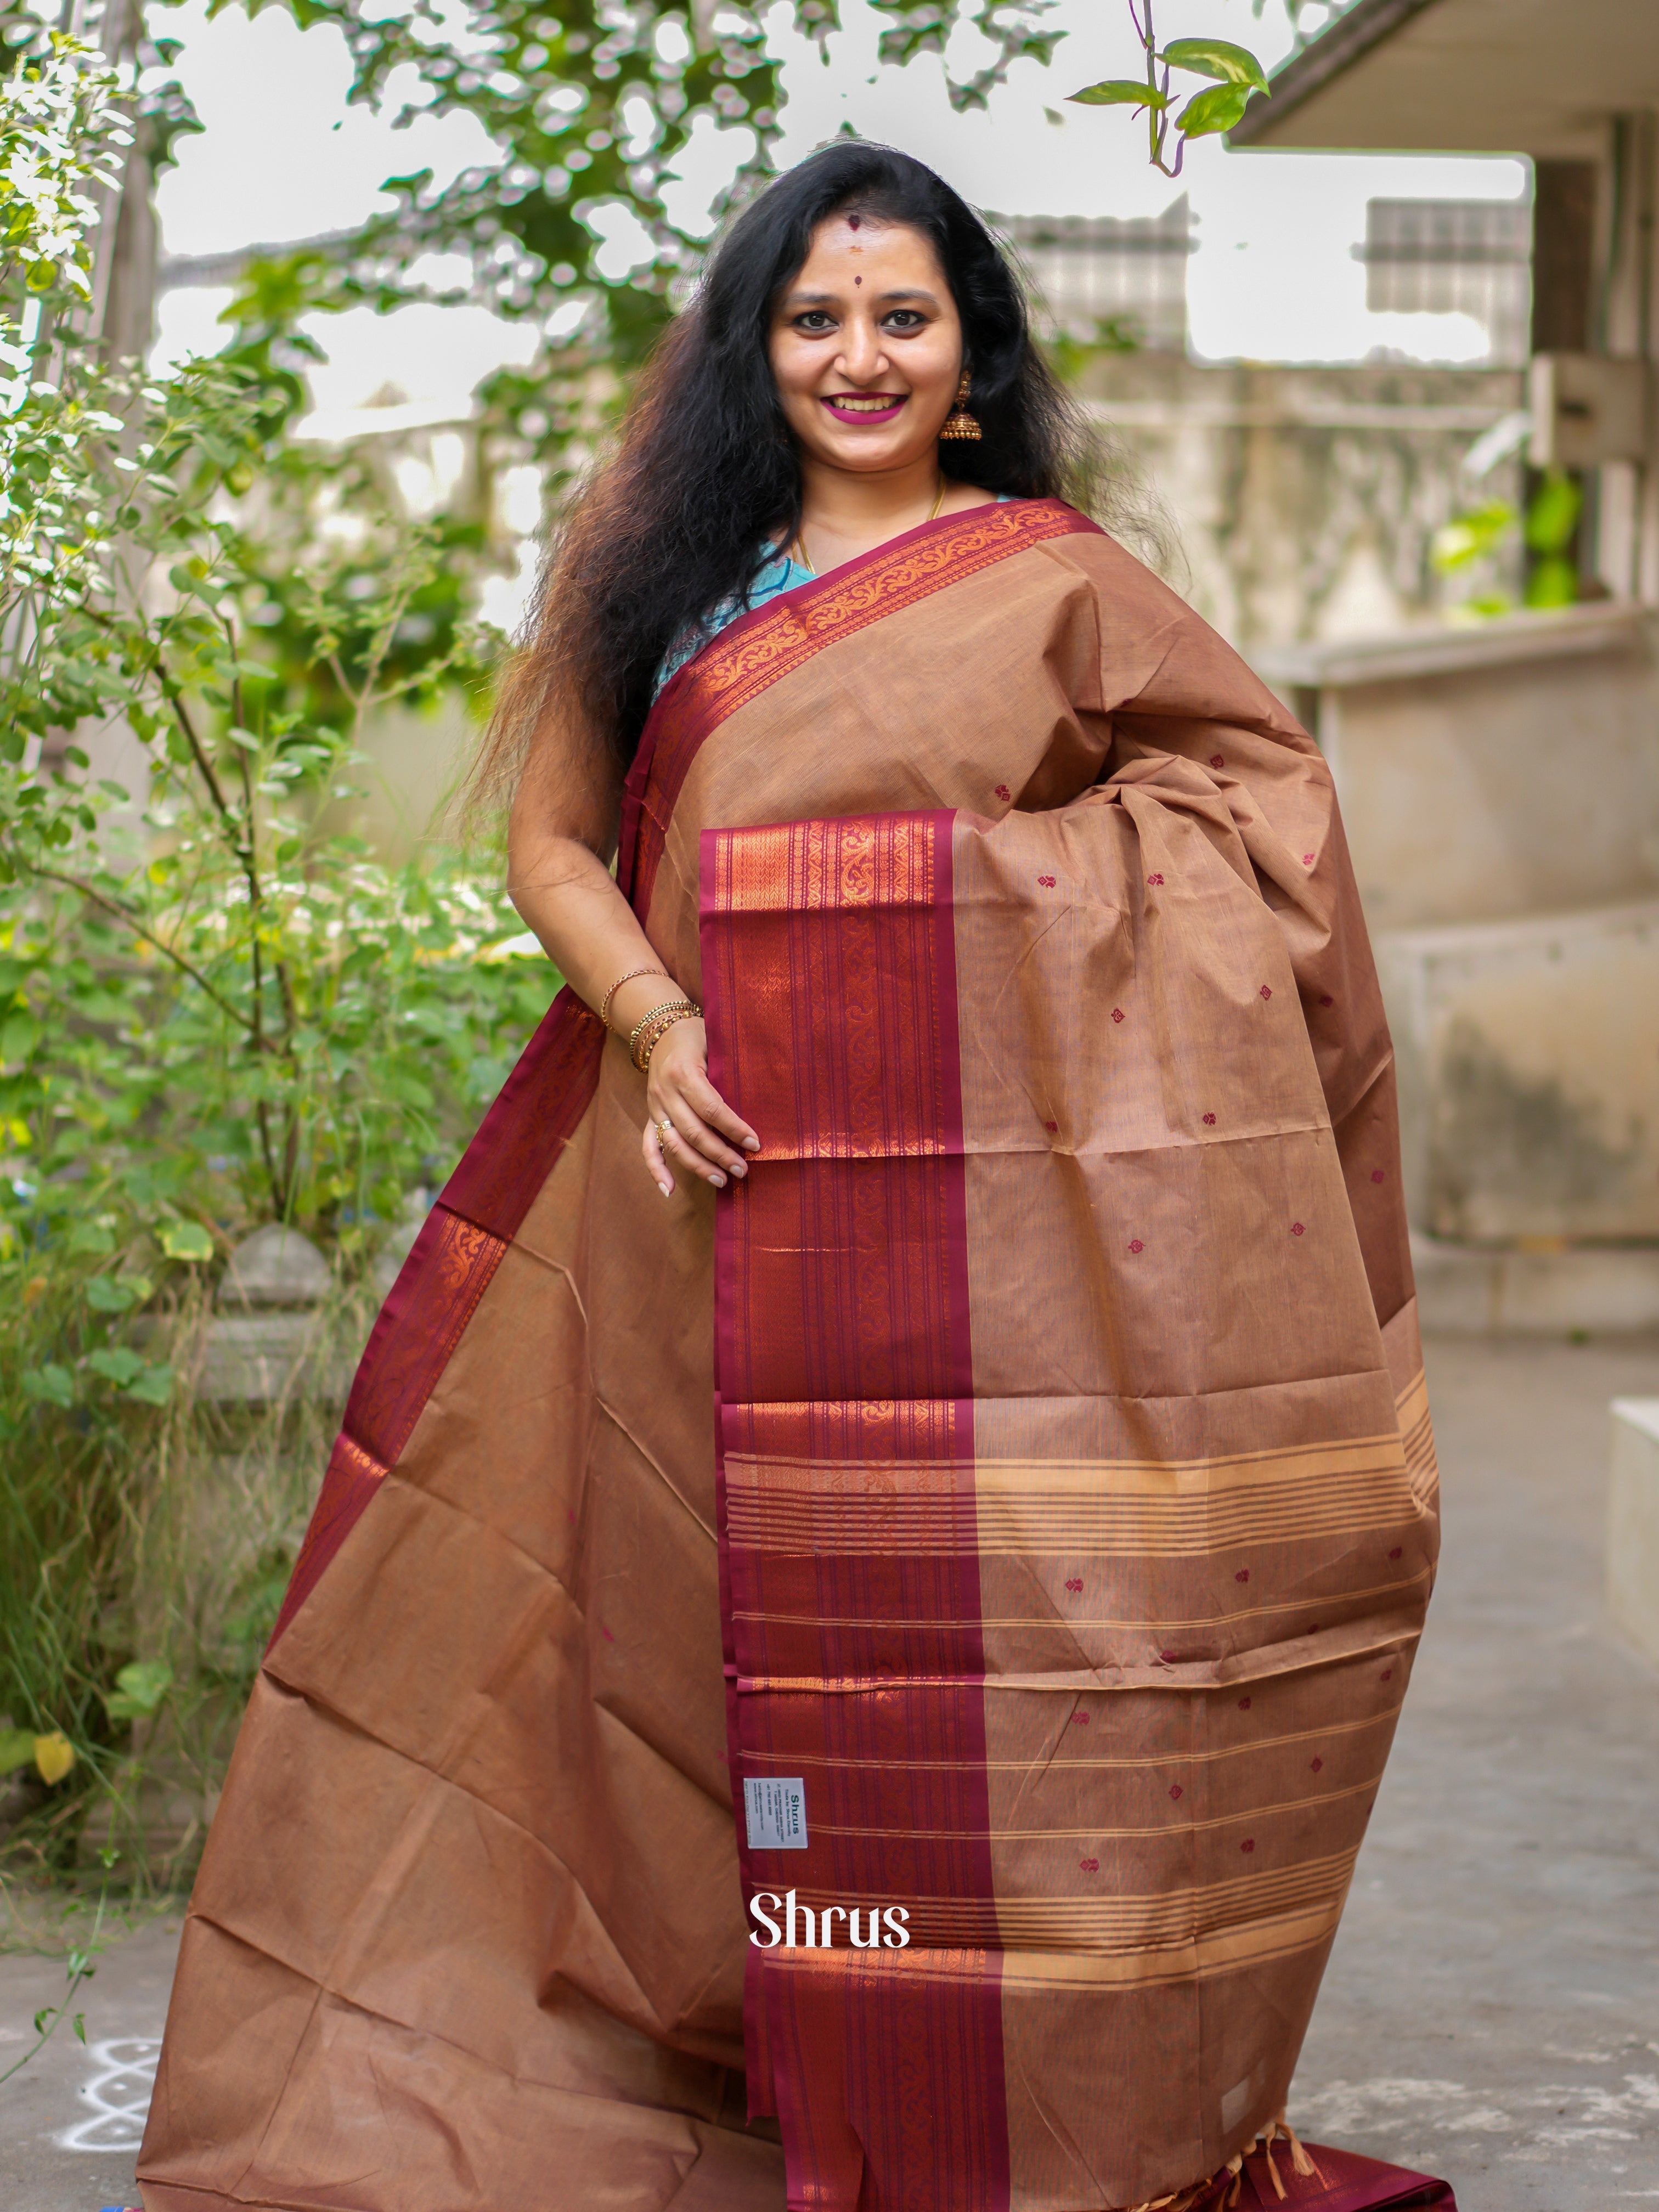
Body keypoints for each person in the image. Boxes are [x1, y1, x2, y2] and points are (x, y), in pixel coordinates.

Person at [139, 143, 1451, 2212]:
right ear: (757, 349)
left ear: (972, 359)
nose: (859, 355)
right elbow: (554, 846)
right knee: (687, 1646)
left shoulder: (1054, 581)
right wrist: (664, 1022)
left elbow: (1249, 821)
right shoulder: (662, 570)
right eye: (815, 317)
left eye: (903, 317)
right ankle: (747, 2047)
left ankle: (961, 2070)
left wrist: (960, 920)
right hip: (689, 1196)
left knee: (965, 1651)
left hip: (981, 1253)